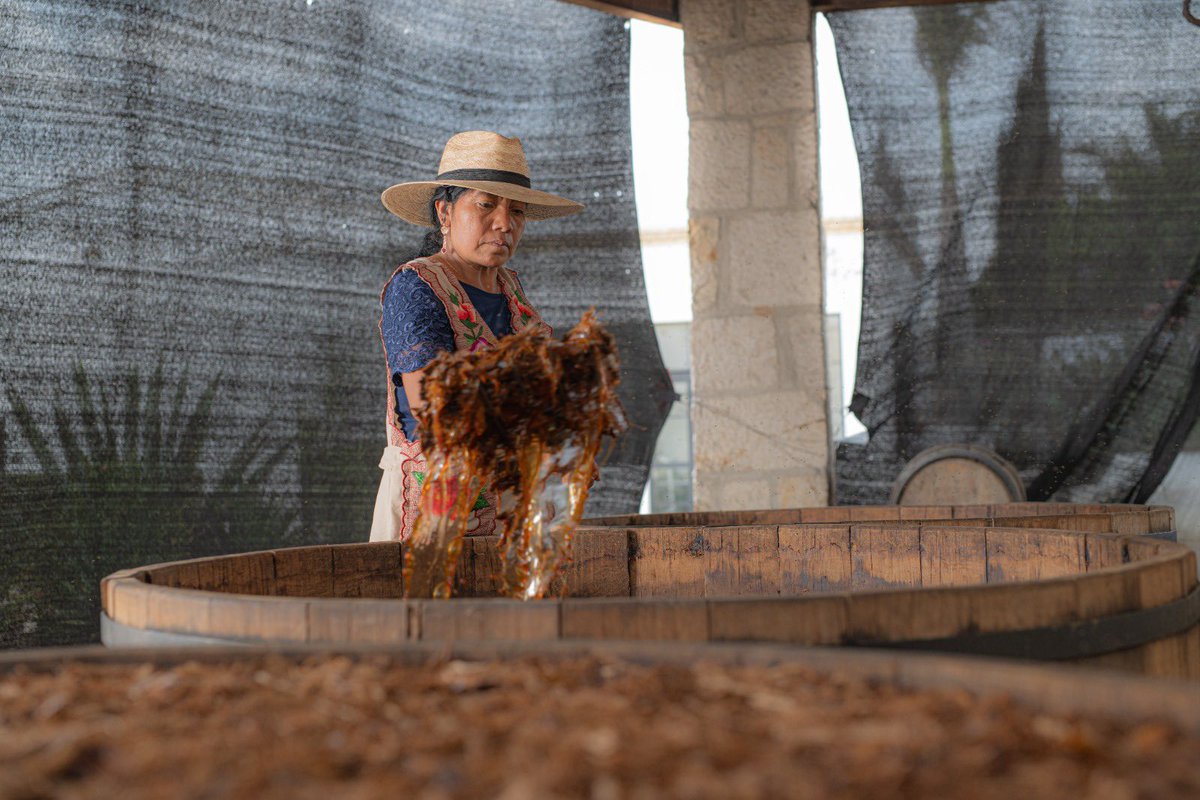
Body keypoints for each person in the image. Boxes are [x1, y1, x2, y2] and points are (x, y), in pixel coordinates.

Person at [369, 130, 584, 542]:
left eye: (516, 212)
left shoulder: (511, 292)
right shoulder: (417, 287)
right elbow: (436, 409)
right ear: (445, 214)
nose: (504, 223)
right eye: (486, 205)